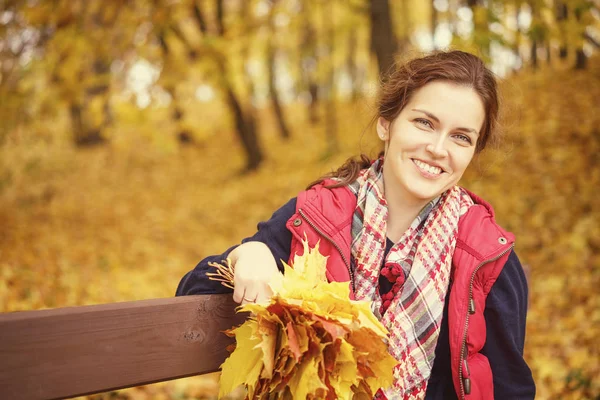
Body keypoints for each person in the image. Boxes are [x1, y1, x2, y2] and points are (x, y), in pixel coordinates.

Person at [176, 50, 536, 399]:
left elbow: (510, 388)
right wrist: (249, 252)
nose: (438, 148)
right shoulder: (316, 218)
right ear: (386, 124)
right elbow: (191, 299)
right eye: (424, 122)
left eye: (461, 137)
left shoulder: (487, 254)